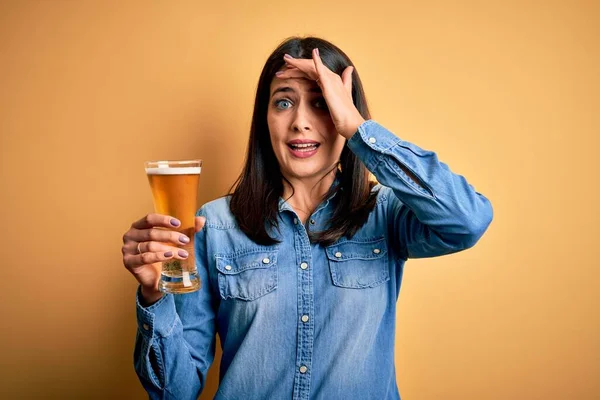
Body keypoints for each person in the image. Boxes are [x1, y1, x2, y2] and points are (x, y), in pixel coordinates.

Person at [121, 36, 493, 400]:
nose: (300, 122)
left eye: (321, 104)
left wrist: (358, 128)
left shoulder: (386, 213)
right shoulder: (214, 225)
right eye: (284, 103)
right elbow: (174, 392)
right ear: (264, 120)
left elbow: (468, 220)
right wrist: (155, 295)